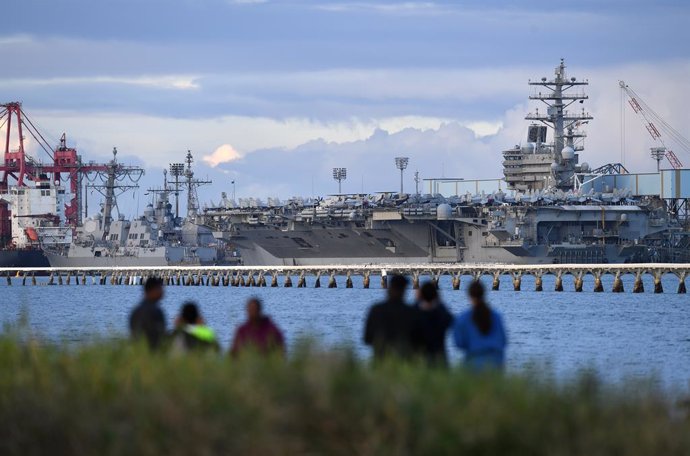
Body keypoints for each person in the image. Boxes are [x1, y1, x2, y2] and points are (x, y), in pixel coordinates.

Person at [453, 280, 507, 371]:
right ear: (484, 293)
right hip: (495, 363)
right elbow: (503, 341)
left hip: (473, 364)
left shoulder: (463, 318)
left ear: (469, 295)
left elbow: (459, 343)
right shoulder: (496, 316)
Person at [363, 274, 417, 361]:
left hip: (381, 359)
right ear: (404, 290)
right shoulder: (411, 312)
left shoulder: (376, 310)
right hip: (404, 360)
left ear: (389, 289)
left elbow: (367, 339)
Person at [414, 282, 453, 367]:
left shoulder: (416, 317)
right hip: (439, 358)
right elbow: (449, 318)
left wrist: (417, 301)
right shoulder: (442, 316)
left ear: (421, 297)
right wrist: (439, 301)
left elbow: (411, 313)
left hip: (421, 360)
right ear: (436, 296)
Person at [129, 277, 166, 350]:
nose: (162, 291)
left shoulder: (137, 310)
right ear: (152, 290)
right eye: (159, 288)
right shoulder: (153, 311)